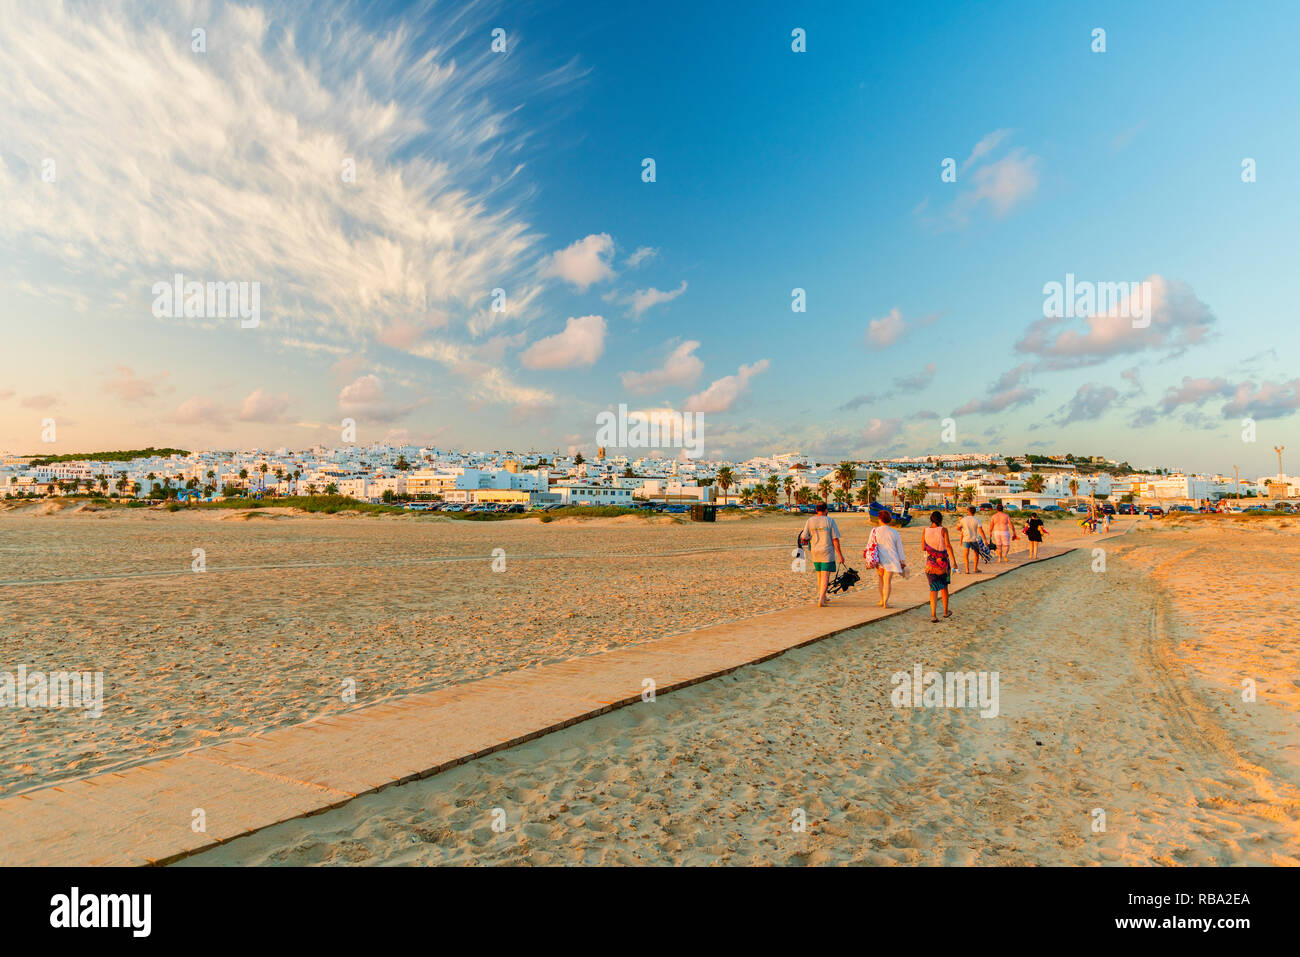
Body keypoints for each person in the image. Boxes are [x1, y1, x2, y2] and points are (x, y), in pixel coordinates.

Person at [799, 501, 847, 607]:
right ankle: (821, 599)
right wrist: (840, 555)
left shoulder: (810, 520)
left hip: (815, 551)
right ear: (826, 510)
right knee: (825, 576)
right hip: (827, 551)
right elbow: (835, 539)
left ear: (816, 510)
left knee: (819, 575)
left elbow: (804, 537)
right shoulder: (830, 521)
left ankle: (823, 596)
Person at [865, 509, 906, 608]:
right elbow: (899, 548)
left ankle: (881, 600)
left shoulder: (874, 530)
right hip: (891, 559)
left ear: (879, 519)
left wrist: (868, 557)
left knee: (881, 579)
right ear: (889, 519)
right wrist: (902, 560)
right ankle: (885, 603)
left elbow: (870, 544)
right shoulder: (894, 532)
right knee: (887, 581)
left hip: (879, 559)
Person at [921, 510, 957, 622]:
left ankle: (933, 615)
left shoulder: (925, 530)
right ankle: (946, 612)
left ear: (931, 519)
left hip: (930, 565)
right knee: (944, 588)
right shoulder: (943, 530)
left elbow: (923, 547)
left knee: (933, 589)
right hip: (943, 565)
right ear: (941, 520)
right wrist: (954, 561)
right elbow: (948, 545)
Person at [957, 505, 987, 573]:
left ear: (968, 511)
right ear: (974, 512)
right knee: (976, 553)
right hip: (974, 539)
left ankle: (967, 570)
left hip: (966, 539)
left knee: (966, 554)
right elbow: (981, 530)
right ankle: (975, 568)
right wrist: (985, 540)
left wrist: (963, 529)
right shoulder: (977, 519)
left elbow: (958, 528)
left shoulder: (963, 519)